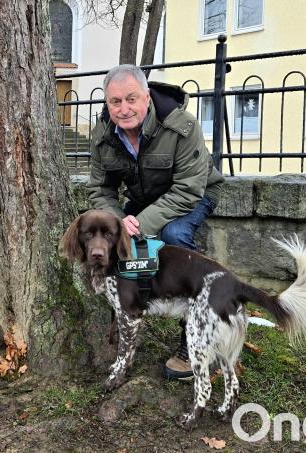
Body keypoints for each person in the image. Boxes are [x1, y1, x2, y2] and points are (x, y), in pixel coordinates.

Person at [87, 64, 225, 380]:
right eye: (115, 102)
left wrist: (140, 224)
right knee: (112, 243)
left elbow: (189, 188)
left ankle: (193, 341)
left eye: (131, 99)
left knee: (173, 233)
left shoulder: (182, 126)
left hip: (194, 192)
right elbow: (99, 189)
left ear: (147, 97)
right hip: (143, 199)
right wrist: (120, 222)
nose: (123, 109)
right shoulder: (103, 135)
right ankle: (126, 317)